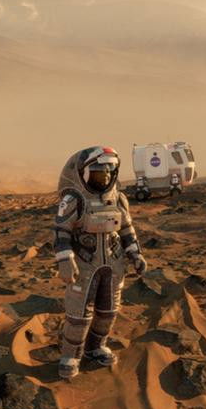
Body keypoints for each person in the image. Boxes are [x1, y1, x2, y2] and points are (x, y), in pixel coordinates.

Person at [39, 146, 147, 380]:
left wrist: (135, 254)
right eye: (98, 173)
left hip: (114, 264)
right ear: (83, 174)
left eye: (108, 173)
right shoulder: (74, 200)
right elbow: (61, 232)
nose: (104, 177)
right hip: (85, 266)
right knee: (79, 316)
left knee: (108, 312)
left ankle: (95, 347)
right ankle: (71, 356)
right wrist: (65, 260)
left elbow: (127, 229)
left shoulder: (118, 198)